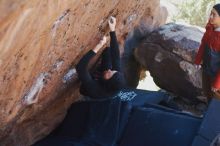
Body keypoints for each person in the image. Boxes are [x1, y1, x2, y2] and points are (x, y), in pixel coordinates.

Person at [76, 16, 125, 99]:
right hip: (103, 78)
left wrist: (98, 46)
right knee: (108, 51)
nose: (110, 70)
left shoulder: (98, 90)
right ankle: (99, 72)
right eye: (113, 71)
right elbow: (116, 56)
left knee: (84, 76)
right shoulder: (117, 76)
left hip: (88, 87)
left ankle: (94, 75)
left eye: (110, 73)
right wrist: (112, 30)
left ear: (108, 81)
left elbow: (80, 67)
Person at [195, 4, 220, 100]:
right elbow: (203, 46)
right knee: (206, 92)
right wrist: (198, 61)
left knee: (216, 99)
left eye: (214, 15)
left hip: (216, 75)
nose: (211, 17)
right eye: (211, 14)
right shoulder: (209, 31)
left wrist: (217, 83)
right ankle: (207, 110)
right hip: (206, 70)